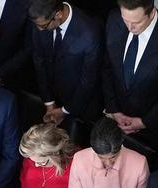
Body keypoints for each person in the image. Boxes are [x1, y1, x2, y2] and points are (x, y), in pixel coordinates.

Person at [102, 0, 158, 152]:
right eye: (126, 20)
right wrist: (114, 110)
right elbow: (107, 67)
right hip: (116, 118)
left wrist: (144, 122)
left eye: (136, 22)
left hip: (153, 128)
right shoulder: (114, 18)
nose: (130, 27)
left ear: (152, 13)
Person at [29, 0, 104, 132]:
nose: (39, 30)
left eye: (44, 26)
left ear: (58, 15)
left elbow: (88, 81)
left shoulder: (90, 33)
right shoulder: (41, 18)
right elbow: (39, 62)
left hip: (80, 107)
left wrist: (65, 110)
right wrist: (49, 103)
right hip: (50, 99)